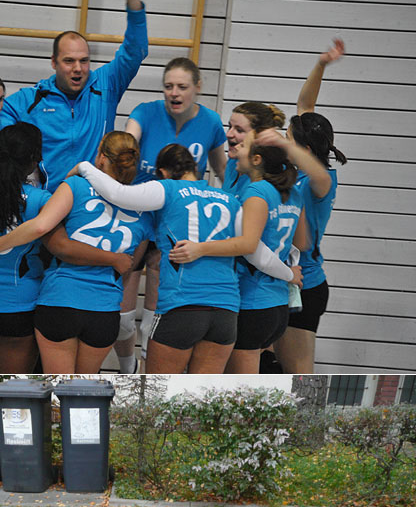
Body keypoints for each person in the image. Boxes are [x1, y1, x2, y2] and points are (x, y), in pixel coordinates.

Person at [74, 143, 302, 374]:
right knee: (201, 398)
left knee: (160, 393)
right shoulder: (229, 200)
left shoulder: (169, 189)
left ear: (163, 172)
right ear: (196, 168)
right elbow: (257, 253)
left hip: (182, 306)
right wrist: (289, 274)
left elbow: (118, 194)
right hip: (225, 313)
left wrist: (84, 167)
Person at [0, 131, 152, 373]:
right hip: (104, 308)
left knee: (57, 392)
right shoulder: (144, 207)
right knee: (82, 394)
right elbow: (129, 265)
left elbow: (45, 230)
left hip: (60, 299)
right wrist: (111, 260)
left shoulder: (75, 185)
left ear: (102, 158)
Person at [114, 56, 228, 372]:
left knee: (156, 318)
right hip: (137, 221)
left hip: (176, 227)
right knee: (121, 320)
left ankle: (151, 374)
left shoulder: (211, 122)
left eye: (182, 87)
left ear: (197, 88)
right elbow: (128, 142)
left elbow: (223, 172)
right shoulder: (145, 113)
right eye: (168, 87)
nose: (174, 93)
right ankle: (128, 367)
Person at [170, 131, 309, 374]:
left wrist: (200, 249)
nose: (234, 151)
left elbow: (249, 247)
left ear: (257, 159)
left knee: (239, 390)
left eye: (241, 146)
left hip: (253, 301)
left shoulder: (257, 193)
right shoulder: (294, 192)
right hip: (277, 306)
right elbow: (302, 242)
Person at [0, 0, 148, 191]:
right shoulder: (33, 99)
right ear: (54, 62)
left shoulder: (106, 84)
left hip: (95, 201)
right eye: (69, 61)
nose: (78, 68)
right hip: (49, 203)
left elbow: (135, 51)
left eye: (84, 61)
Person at [272, 39, 347, 373]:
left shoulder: (321, 182)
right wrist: (321, 65)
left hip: (307, 286)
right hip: (286, 280)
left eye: (289, 138)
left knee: (297, 374)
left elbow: (316, 167)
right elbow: (305, 103)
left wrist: (281, 143)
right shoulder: (303, 169)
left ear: (302, 147)